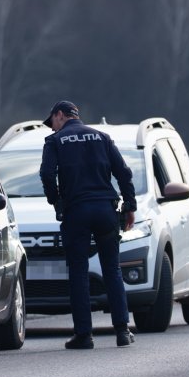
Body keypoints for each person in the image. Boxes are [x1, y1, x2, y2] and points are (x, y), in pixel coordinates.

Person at [39, 100, 138, 349]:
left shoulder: (55, 141)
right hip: (105, 209)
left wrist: (56, 202)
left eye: (52, 123)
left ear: (60, 115)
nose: (52, 129)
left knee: (78, 273)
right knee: (112, 270)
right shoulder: (102, 138)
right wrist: (130, 206)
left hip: (77, 212)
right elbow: (124, 173)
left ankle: (84, 335)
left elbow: (47, 174)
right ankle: (123, 330)